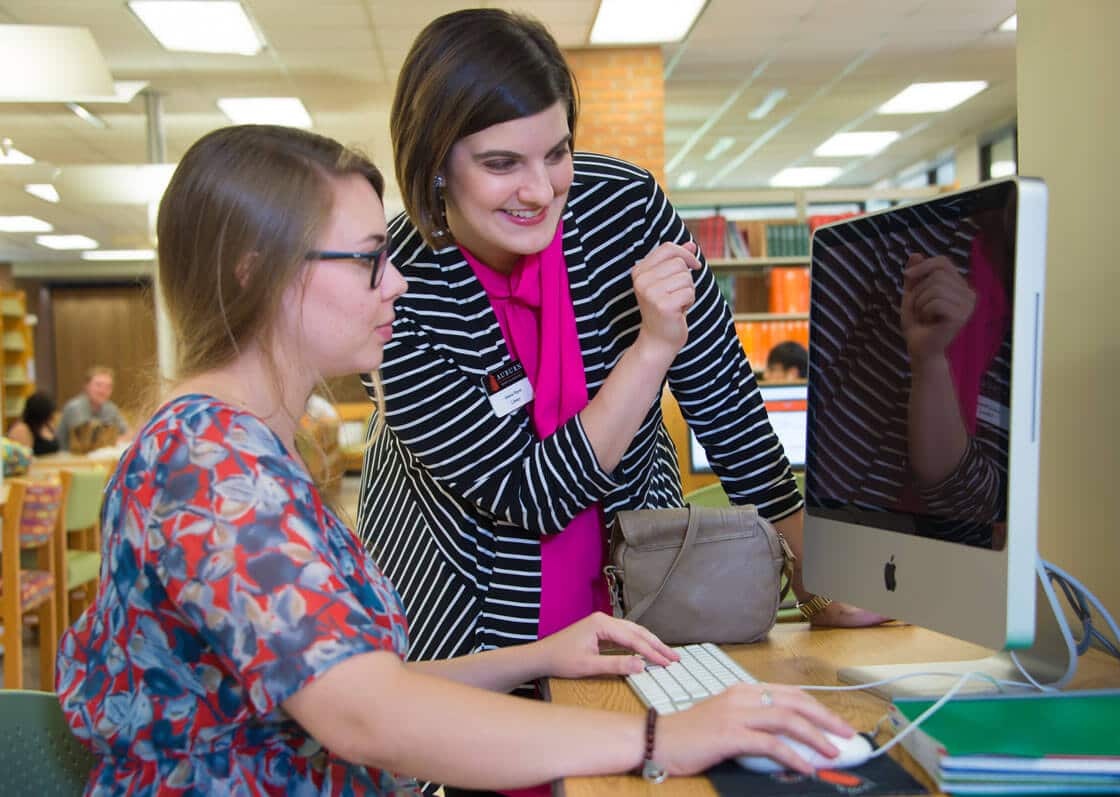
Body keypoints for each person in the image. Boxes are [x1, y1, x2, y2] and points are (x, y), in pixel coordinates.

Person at [55, 124, 856, 796]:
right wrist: (656, 737)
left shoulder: (243, 447)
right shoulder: (211, 465)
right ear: (256, 273)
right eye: (368, 258)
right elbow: (368, 718)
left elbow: (356, 688)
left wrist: (542, 655)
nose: (396, 281)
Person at [357, 8, 882, 688]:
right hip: (473, 611)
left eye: (557, 152)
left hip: (637, 573)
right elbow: (529, 493)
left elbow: (719, 386)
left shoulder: (623, 207)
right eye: (501, 163)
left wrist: (814, 563)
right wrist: (651, 349)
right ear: (433, 164)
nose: (540, 190)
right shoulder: (399, 288)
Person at [805, 196, 1014, 548]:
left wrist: (930, 361)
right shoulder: (899, 245)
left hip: (947, 557)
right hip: (854, 541)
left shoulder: (1026, 302)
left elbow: (975, 506)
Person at [55, 365, 129, 451]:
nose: (103, 391)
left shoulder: (110, 407)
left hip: (96, 458)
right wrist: (112, 439)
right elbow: (86, 442)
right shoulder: (75, 407)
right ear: (86, 386)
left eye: (108, 387)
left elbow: (126, 433)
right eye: (98, 385)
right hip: (68, 459)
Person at [7, 390, 61, 455]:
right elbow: (21, 457)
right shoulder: (21, 429)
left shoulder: (47, 425)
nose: (52, 417)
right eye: (49, 414)